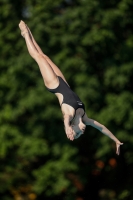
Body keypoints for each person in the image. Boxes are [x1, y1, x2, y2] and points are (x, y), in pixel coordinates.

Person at [19, 20, 123, 155]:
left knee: (39, 58)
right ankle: (29, 31)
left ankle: (25, 34)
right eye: (79, 135)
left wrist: (67, 127)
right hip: (64, 82)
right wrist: (116, 140)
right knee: (44, 56)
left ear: (73, 127)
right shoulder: (85, 118)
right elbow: (102, 128)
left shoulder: (70, 115)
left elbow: (65, 119)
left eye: (77, 134)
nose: (81, 133)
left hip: (54, 85)